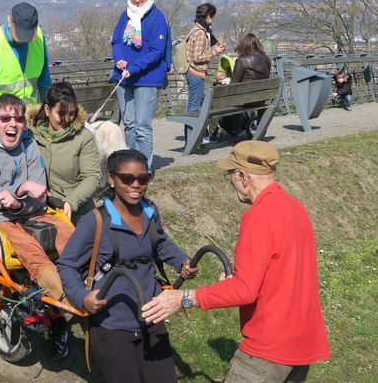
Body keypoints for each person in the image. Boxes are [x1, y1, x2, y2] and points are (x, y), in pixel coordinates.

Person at [141, 141, 331, 383]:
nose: (230, 181)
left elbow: (245, 291)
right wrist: (235, 282)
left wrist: (183, 298)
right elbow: (281, 274)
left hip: (268, 350)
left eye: (230, 174)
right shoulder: (295, 208)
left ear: (243, 176)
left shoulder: (259, 217)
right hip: (300, 346)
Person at [58, 149, 198, 383]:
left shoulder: (150, 210)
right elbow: (66, 265)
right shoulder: (95, 221)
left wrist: (180, 261)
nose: (136, 185)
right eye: (127, 179)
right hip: (112, 325)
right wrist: (83, 297)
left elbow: (160, 243)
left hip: (151, 316)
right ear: (112, 179)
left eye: (143, 178)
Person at [0, 93, 73, 360]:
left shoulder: (29, 146)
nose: (13, 124)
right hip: (3, 220)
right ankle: (64, 300)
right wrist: (19, 191)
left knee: (68, 232)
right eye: (6, 118)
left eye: (18, 119)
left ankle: (89, 281)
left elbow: (38, 190)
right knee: (29, 248)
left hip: (33, 211)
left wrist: (17, 200)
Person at [111, 0, 171, 172]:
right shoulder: (124, 16)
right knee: (129, 124)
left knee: (142, 127)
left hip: (147, 78)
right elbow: (116, 41)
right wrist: (118, 59)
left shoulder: (157, 18)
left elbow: (156, 52)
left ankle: (144, 168)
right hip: (123, 76)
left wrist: (133, 68)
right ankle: (130, 164)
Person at [27, 81, 102, 223]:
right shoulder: (31, 135)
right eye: (61, 113)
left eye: (72, 113)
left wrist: (72, 201)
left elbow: (92, 177)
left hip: (75, 209)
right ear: (47, 110)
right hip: (39, 209)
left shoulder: (84, 138)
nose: (67, 119)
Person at [0, 2, 52, 120]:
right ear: (10, 22)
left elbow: (45, 82)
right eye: (20, 34)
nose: (24, 40)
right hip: (3, 122)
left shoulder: (39, 38)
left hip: (31, 118)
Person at [184, 3, 226, 144]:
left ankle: (195, 138)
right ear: (208, 16)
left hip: (193, 72)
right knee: (194, 109)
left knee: (196, 105)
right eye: (212, 17)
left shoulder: (195, 29)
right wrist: (215, 52)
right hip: (196, 73)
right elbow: (197, 57)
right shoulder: (201, 33)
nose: (212, 20)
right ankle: (192, 141)